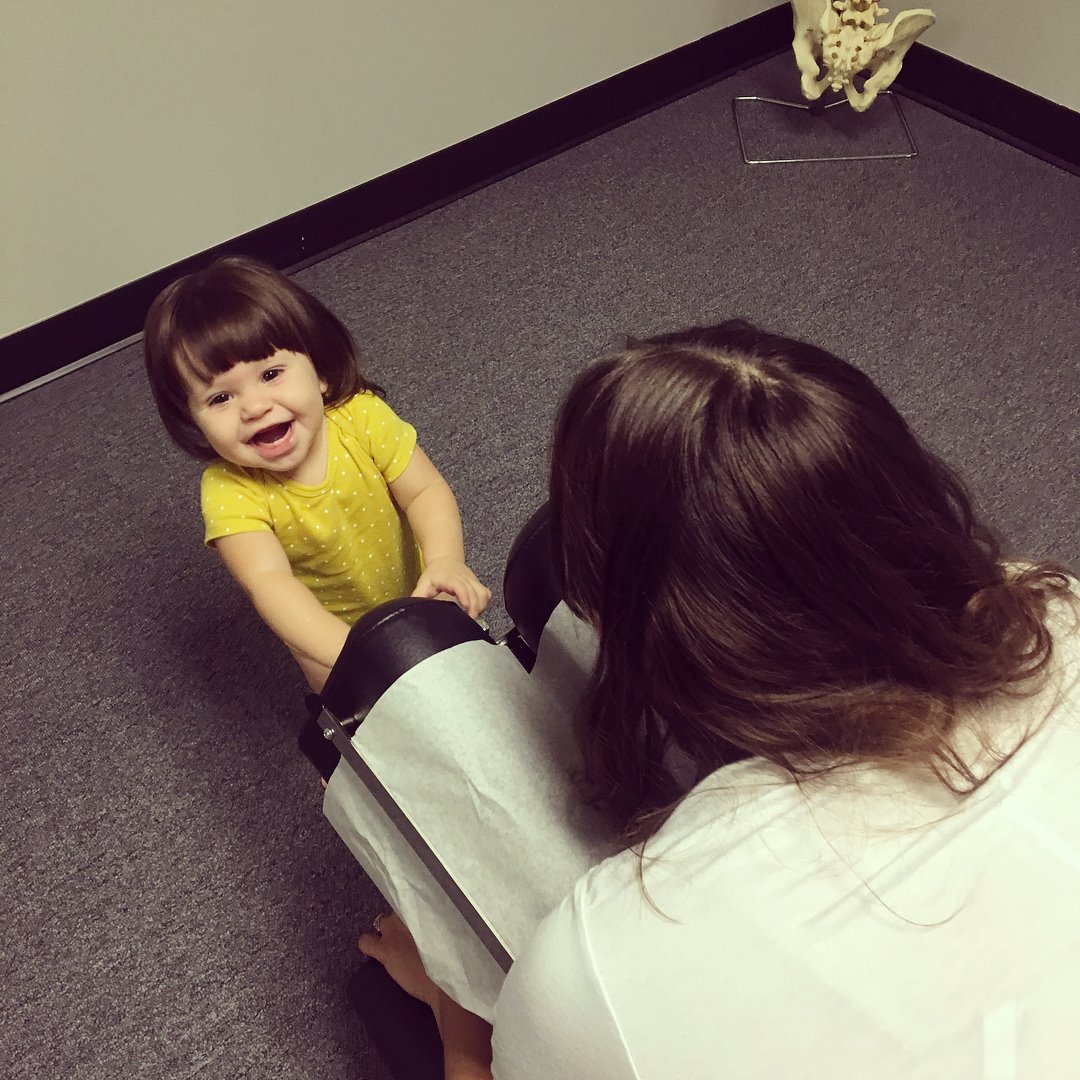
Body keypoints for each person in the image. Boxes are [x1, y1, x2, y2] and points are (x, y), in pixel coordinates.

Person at [357, 320, 1079, 1079]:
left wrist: (461, 1014)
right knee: (540, 570)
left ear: (606, 618)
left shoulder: (592, 964)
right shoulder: (1057, 608)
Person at [144, 256, 490, 692]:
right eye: (220, 399)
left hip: (419, 596)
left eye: (271, 374)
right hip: (333, 643)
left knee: (473, 683)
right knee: (374, 718)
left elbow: (424, 491)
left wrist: (445, 561)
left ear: (320, 372)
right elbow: (270, 584)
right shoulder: (229, 490)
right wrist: (357, 655)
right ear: (193, 421)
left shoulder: (361, 418)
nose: (254, 407)